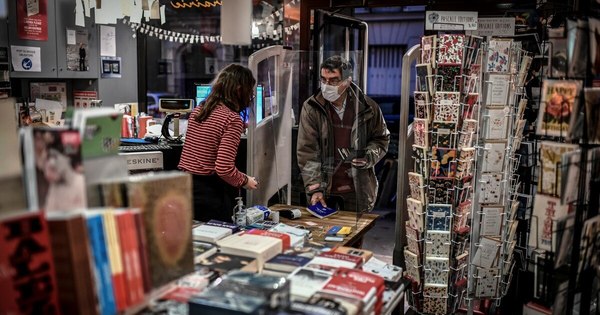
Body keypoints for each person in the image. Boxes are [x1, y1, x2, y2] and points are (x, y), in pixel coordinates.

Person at [297, 55, 390, 213]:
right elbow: (307, 151)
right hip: (325, 190)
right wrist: (314, 188)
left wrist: (368, 156)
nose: (326, 85)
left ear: (347, 81)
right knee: (324, 236)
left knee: (355, 236)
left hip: (357, 189)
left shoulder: (368, 107)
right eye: (323, 79)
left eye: (333, 80)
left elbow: (381, 139)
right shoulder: (311, 108)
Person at [179, 64, 259, 222]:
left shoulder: (199, 110)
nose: (250, 96)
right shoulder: (232, 119)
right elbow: (223, 168)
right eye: (250, 90)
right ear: (238, 89)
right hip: (210, 195)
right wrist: (245, 181)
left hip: (185, 189)